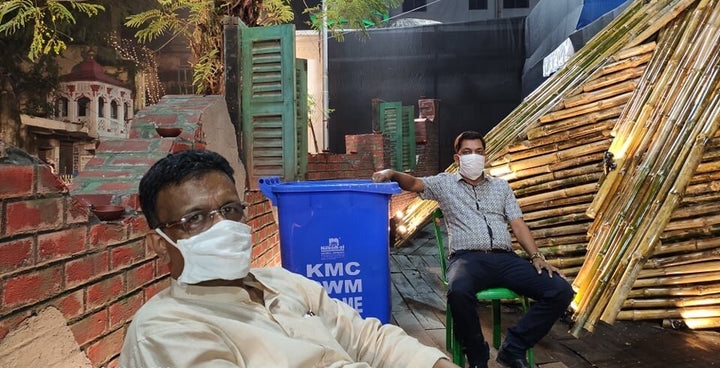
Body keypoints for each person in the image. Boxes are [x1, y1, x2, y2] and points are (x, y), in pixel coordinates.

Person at [120, 149, 459, 368]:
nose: (222, 226)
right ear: (160, 244)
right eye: (195, 218)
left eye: (229, 209)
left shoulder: (283, 281)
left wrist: (434, 364)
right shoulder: (165, 330)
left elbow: (367, 338)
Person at [372, 131, 574, 368]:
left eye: (479, 152)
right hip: (468, 260)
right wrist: (391, 173)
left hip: (505, 259)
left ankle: (514, 347)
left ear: (485, 156)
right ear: (457, 158)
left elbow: (518, 224)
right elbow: (415, 183)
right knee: (458, 292)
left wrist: (537, 256)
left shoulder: (501, 187)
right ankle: (478, 357)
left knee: (560, 290)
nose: (473, 157)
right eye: (467, 152)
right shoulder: (444, 183)